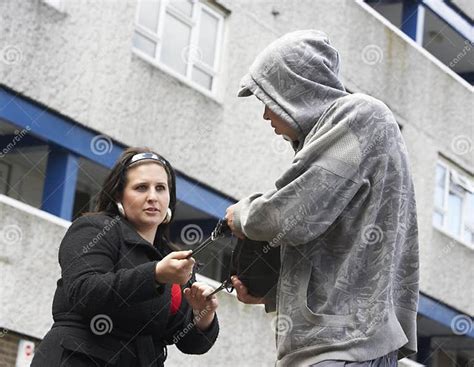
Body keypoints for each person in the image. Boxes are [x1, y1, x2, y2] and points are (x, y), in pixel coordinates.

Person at [225, 30, 419, 366]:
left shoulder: (361, 118)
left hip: (343, 347)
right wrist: (270, 294)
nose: (265, 116)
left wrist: (241, 216)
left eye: (267, 100)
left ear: (293, 90)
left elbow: (289, 217)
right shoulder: (342, 134)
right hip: (337, 345)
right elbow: (340, 243)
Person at [32, 147, 219, 366]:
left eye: (161, 188)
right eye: (141, 188)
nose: (152, 197)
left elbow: (190, 343)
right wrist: (156, 274)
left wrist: (203, 313)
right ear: (119, 194)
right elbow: (84, 291)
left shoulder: (172, 257)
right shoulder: (93, 229)